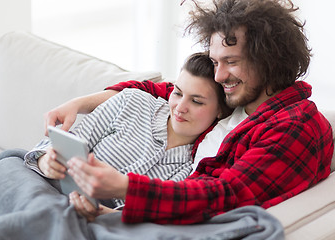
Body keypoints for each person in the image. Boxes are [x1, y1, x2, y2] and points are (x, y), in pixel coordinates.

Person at [45, 0, 334, 225]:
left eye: (230, 61)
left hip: (186, 220)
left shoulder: (296, 126)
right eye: (214, 62)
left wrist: (126, 188)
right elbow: (164, 90)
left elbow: (226, 195)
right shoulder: (238, 100)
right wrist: (81, 104)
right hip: (158, 210)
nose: (219, 76)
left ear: (268, 61)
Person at [24, 52, 232, 220]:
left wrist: (101, 214)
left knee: (54, 219)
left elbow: (150, 217)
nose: (180, 107)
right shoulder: (132, 101)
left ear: (220, 111)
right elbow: (65, 144)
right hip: (49, 185)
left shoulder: (195, 165)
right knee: (9, 170)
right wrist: (46, 161)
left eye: (196, 101)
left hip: (91, 218)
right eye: (177, 93)